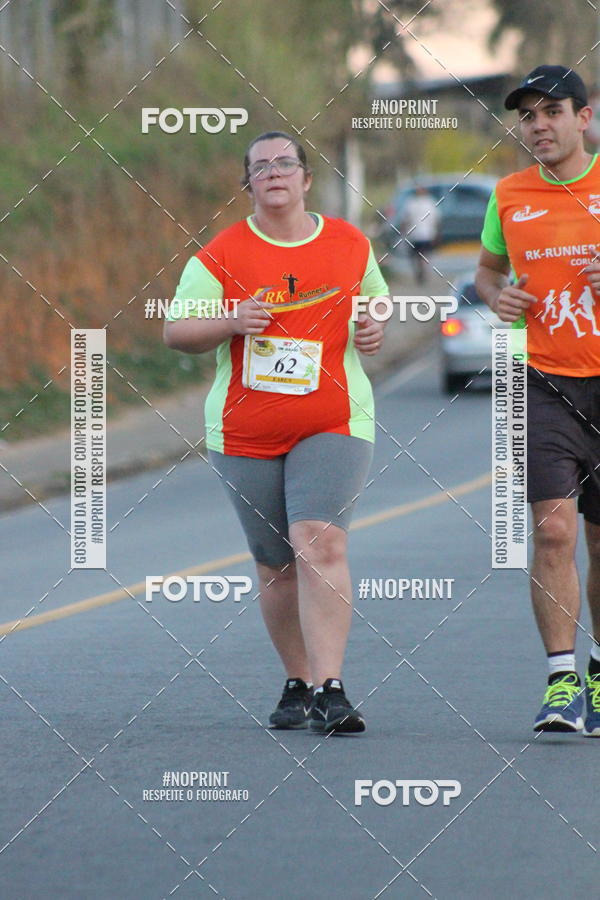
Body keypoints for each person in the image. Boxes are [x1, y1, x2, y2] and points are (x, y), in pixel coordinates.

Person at [164, 131, 388, 734]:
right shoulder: (220, 255)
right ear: (249, 185)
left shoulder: (348, 242)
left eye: (285, 163)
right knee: (276, 565)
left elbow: (375, 301)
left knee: (319, 541)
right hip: (244, 430)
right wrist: (231, 320)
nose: (274, 173)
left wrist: (371, 328)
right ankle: (298, 679)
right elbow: (176, 331)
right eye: (260, 167)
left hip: (334, 419)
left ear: (307, 178)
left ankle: (331, 688)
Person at [475, 65, 600, 735]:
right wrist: (501, 299)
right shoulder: (508, 194)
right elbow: (488, 272)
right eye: (527, 116)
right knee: (553, 528)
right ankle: (561, 682)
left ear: (584, 116)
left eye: (552, 111)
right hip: (545, 380)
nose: (538, 126)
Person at [400, 185, 440, 283]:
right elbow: (436, 220)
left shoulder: (412, 203)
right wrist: (437, 233)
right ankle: (423, 270)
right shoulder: (430, 202)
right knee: (423, 254)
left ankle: (421, 271)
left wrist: (403, 230)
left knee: (417, 255)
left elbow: (406, 219)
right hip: (425, 234)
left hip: (416, 234)